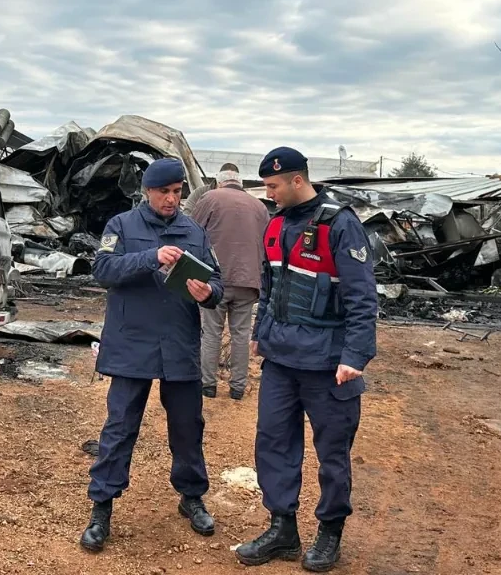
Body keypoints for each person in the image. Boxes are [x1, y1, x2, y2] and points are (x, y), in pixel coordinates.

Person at [234, 147, 377, 573]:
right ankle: (283, 529)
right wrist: (260, 334)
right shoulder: (275, 224)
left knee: (332, 451)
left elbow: (361, 297)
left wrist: (355, 355)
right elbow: (270, 284)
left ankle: (330, 532)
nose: (269, 192)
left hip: (329, 363)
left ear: (298, 180)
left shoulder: (341, 224)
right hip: (280, 360)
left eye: (274, 186)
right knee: (274, 443)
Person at [80, 157, 225, 553]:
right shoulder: (121, 226)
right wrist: (151, 257)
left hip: (179, 344)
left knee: (187, 428)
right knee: (120, 427)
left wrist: (208, 293)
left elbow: (217, 281)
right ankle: (102, 508)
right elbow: (103, 269)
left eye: (178, 192)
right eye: (165, 192)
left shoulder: (193, 231)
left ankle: (191, 497)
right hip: (132, 344)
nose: (172, 199)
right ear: (148, 191)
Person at [190, 166, 270, 400]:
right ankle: (237, 387)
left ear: (219, 182)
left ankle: (208, 385)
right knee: (241, 335)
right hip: (249, 281)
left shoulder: (210, 198)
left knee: (211, 333)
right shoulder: (259, 206)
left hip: (216, 282)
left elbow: (192, 231)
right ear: (240, 183)